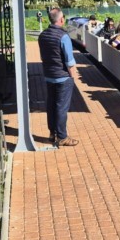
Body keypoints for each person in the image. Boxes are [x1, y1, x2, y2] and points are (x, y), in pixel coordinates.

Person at [37, 8, 79, 147]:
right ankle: (62, 137)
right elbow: (69, 61)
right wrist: (73, 78)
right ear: (61, 19)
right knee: (61, 107)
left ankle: (52, 133)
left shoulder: (42, 35)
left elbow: (43, 56)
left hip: (49, 75)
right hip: (63, 77)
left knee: (51, 105)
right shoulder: (63, 37)